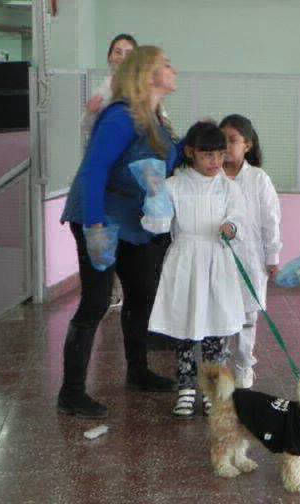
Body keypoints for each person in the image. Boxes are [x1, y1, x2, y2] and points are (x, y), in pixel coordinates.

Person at [58, 46, 181, 418]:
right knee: (96, 301)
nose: (173, 70)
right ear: (147, 74)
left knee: (142, 293)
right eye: (166, 64)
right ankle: (71, 392)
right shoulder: (121, 116)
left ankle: (138, 371)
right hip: (101, 215)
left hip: (132, 220)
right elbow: (94, 170)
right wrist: (94, 225)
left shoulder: (155, 119)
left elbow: (166, 164)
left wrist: (193, 142)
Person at [147, 122, 248, 417]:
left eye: (220, 155)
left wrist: (231, 227)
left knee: (215, 329)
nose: (215, 161)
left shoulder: (228, 187)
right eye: (207, 155)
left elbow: (239, 218)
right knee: (185, 328)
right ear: (191, 152)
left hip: (217, 260)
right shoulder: (173, 185)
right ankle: (186, 388)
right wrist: (153, 199)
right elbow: (158, 225)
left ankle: (211, 390)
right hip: (185, 261)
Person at [220, 115, 282, 389]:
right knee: (219, 315)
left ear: (247, 144)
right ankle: (220, 366)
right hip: (218, 258)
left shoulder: (258, 179)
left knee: (248, 316)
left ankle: (244, 365)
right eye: (222, 140)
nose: (226, 147)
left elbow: (271, 220)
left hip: (251, 259)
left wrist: (272, 257)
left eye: (232, 141)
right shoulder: (212, 177)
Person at [81, 34, 137, 310]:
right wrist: (90, 114)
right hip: (107, 179)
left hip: (132, 181)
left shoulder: (142, 92)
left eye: (128, 52)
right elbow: (88, 133)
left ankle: (126, 291)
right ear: (109, 57)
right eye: (117, 51)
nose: (122, 57)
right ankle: (112, 291)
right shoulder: (102, 92)